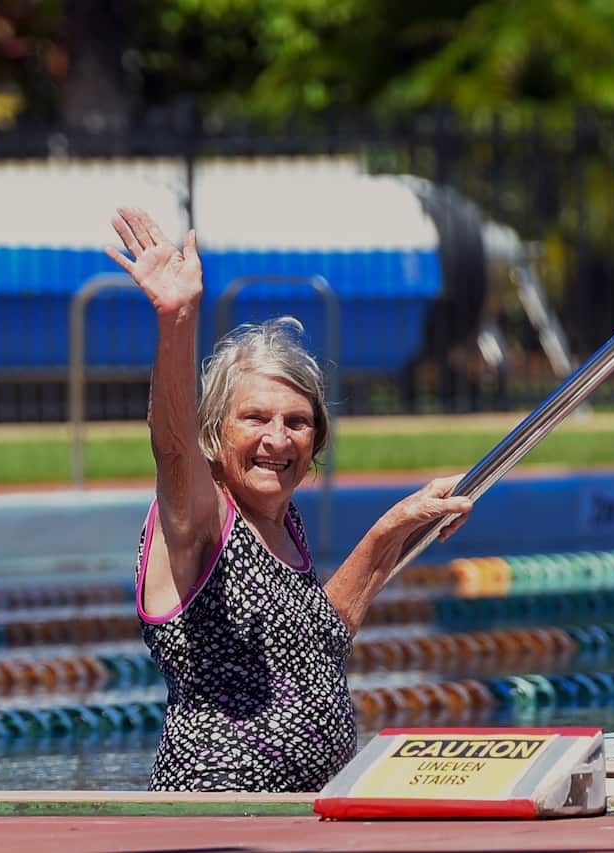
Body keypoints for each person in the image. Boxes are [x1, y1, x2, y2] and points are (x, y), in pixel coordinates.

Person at [105, 207, 473, 792]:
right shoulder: (203, 517)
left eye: (297, 422)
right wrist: (177, 319)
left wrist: (402, 522)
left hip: (304, 818)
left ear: (317, 436)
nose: (278, 439)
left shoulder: (284, 526)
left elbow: (322, 635)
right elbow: (172, 447)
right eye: (255, 418)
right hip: (219, 816)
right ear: (216, 432)